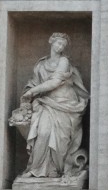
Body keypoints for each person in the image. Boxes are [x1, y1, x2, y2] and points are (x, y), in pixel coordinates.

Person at [14, 32, 89, 180]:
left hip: (65, 104)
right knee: (43, 133)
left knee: (61, 140)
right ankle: (35, 169)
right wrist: (29, 94)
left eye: (63, 45)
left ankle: (56, 170)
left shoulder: (64, 61)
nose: (60, 47)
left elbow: (54, 82)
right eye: (58, 43)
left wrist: (33, 92)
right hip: (46, 104)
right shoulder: (41, 65)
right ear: (51, 42)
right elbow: (33, 83)